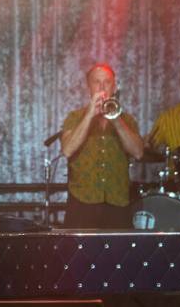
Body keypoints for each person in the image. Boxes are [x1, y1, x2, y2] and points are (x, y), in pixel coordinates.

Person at [60, 63, 144, 229]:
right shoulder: (75, 117)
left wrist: (116, 120)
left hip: (118, 202)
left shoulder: (127, 120)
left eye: (107, 82)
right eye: (96, 82)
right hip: (82, 202)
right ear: (88, 87)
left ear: (114, 86)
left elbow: (138, 152)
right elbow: (68, 150)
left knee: (118, 254)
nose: (102, 87)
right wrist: (90, 115)